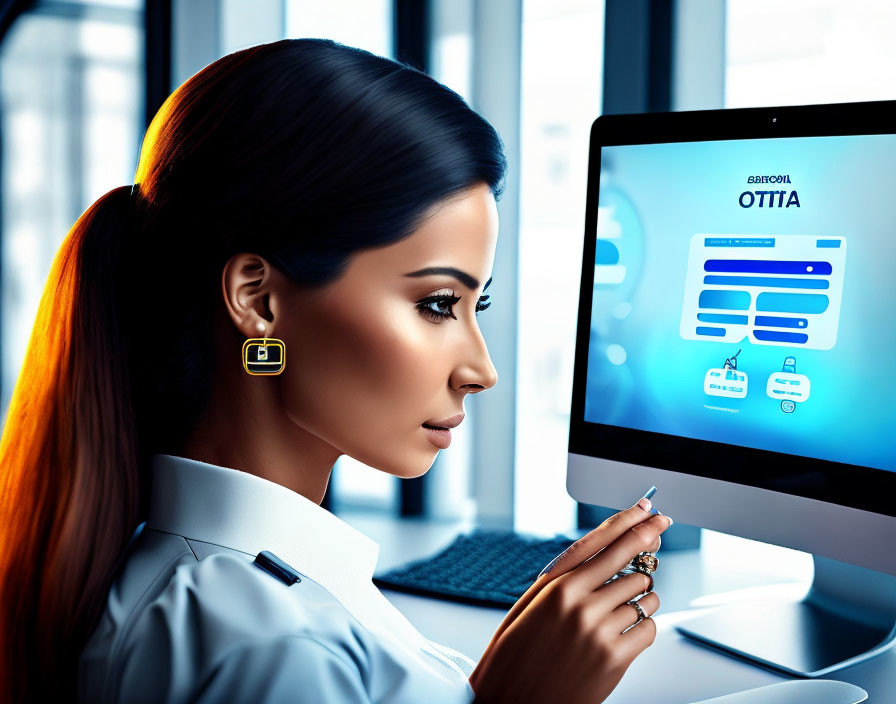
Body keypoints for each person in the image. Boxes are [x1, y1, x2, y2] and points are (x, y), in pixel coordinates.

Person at [0, 38, 672, 703]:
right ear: (258, 300)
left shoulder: (189, 575)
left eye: (477, 304)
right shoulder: (276, 650)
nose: (481, 370)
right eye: (438, 304)